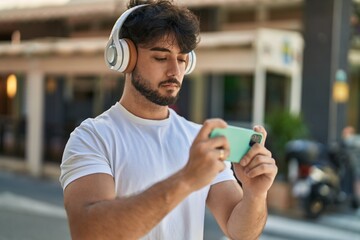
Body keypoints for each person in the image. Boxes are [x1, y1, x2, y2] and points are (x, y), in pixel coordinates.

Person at [59, 0, 278, 239]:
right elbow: (87, 231)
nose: (175, 71)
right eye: (161, 58)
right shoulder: (92, 137)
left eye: (182, 59)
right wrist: (186, 179)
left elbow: (240, 231)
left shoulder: (199, 140)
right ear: (125, 57)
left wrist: (255, 194)